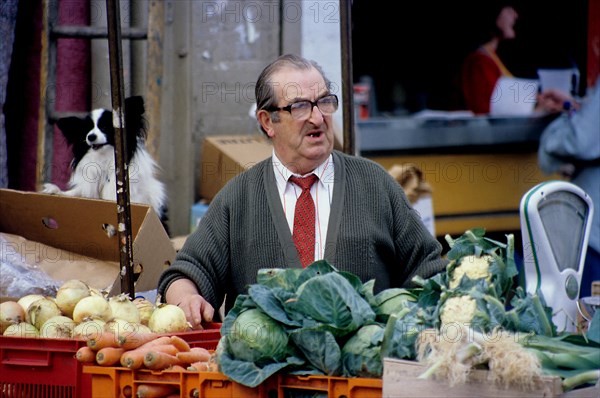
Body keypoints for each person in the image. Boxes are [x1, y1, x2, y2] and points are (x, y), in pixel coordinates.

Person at [157, 54, 448, 328]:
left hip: (359, 374)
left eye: (324, 102)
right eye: (300, 107)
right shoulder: (238, 198)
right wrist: (188, 299)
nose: (318, 117)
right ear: (268, 121)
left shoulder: (375, 184)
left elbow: (429, 269)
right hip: (268, 376)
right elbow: (184, 273)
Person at [538, 79, 600, 298]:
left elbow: (581, 140)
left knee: (584, 322)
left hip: (593, 230)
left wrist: (562, 125)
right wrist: (579, 109)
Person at [459, 2, 570, 115]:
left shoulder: (492, 57)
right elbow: (488, 115)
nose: (515, 15)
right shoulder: (479, 62)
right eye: (509, 9)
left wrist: (540, 100)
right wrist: (538, 112)